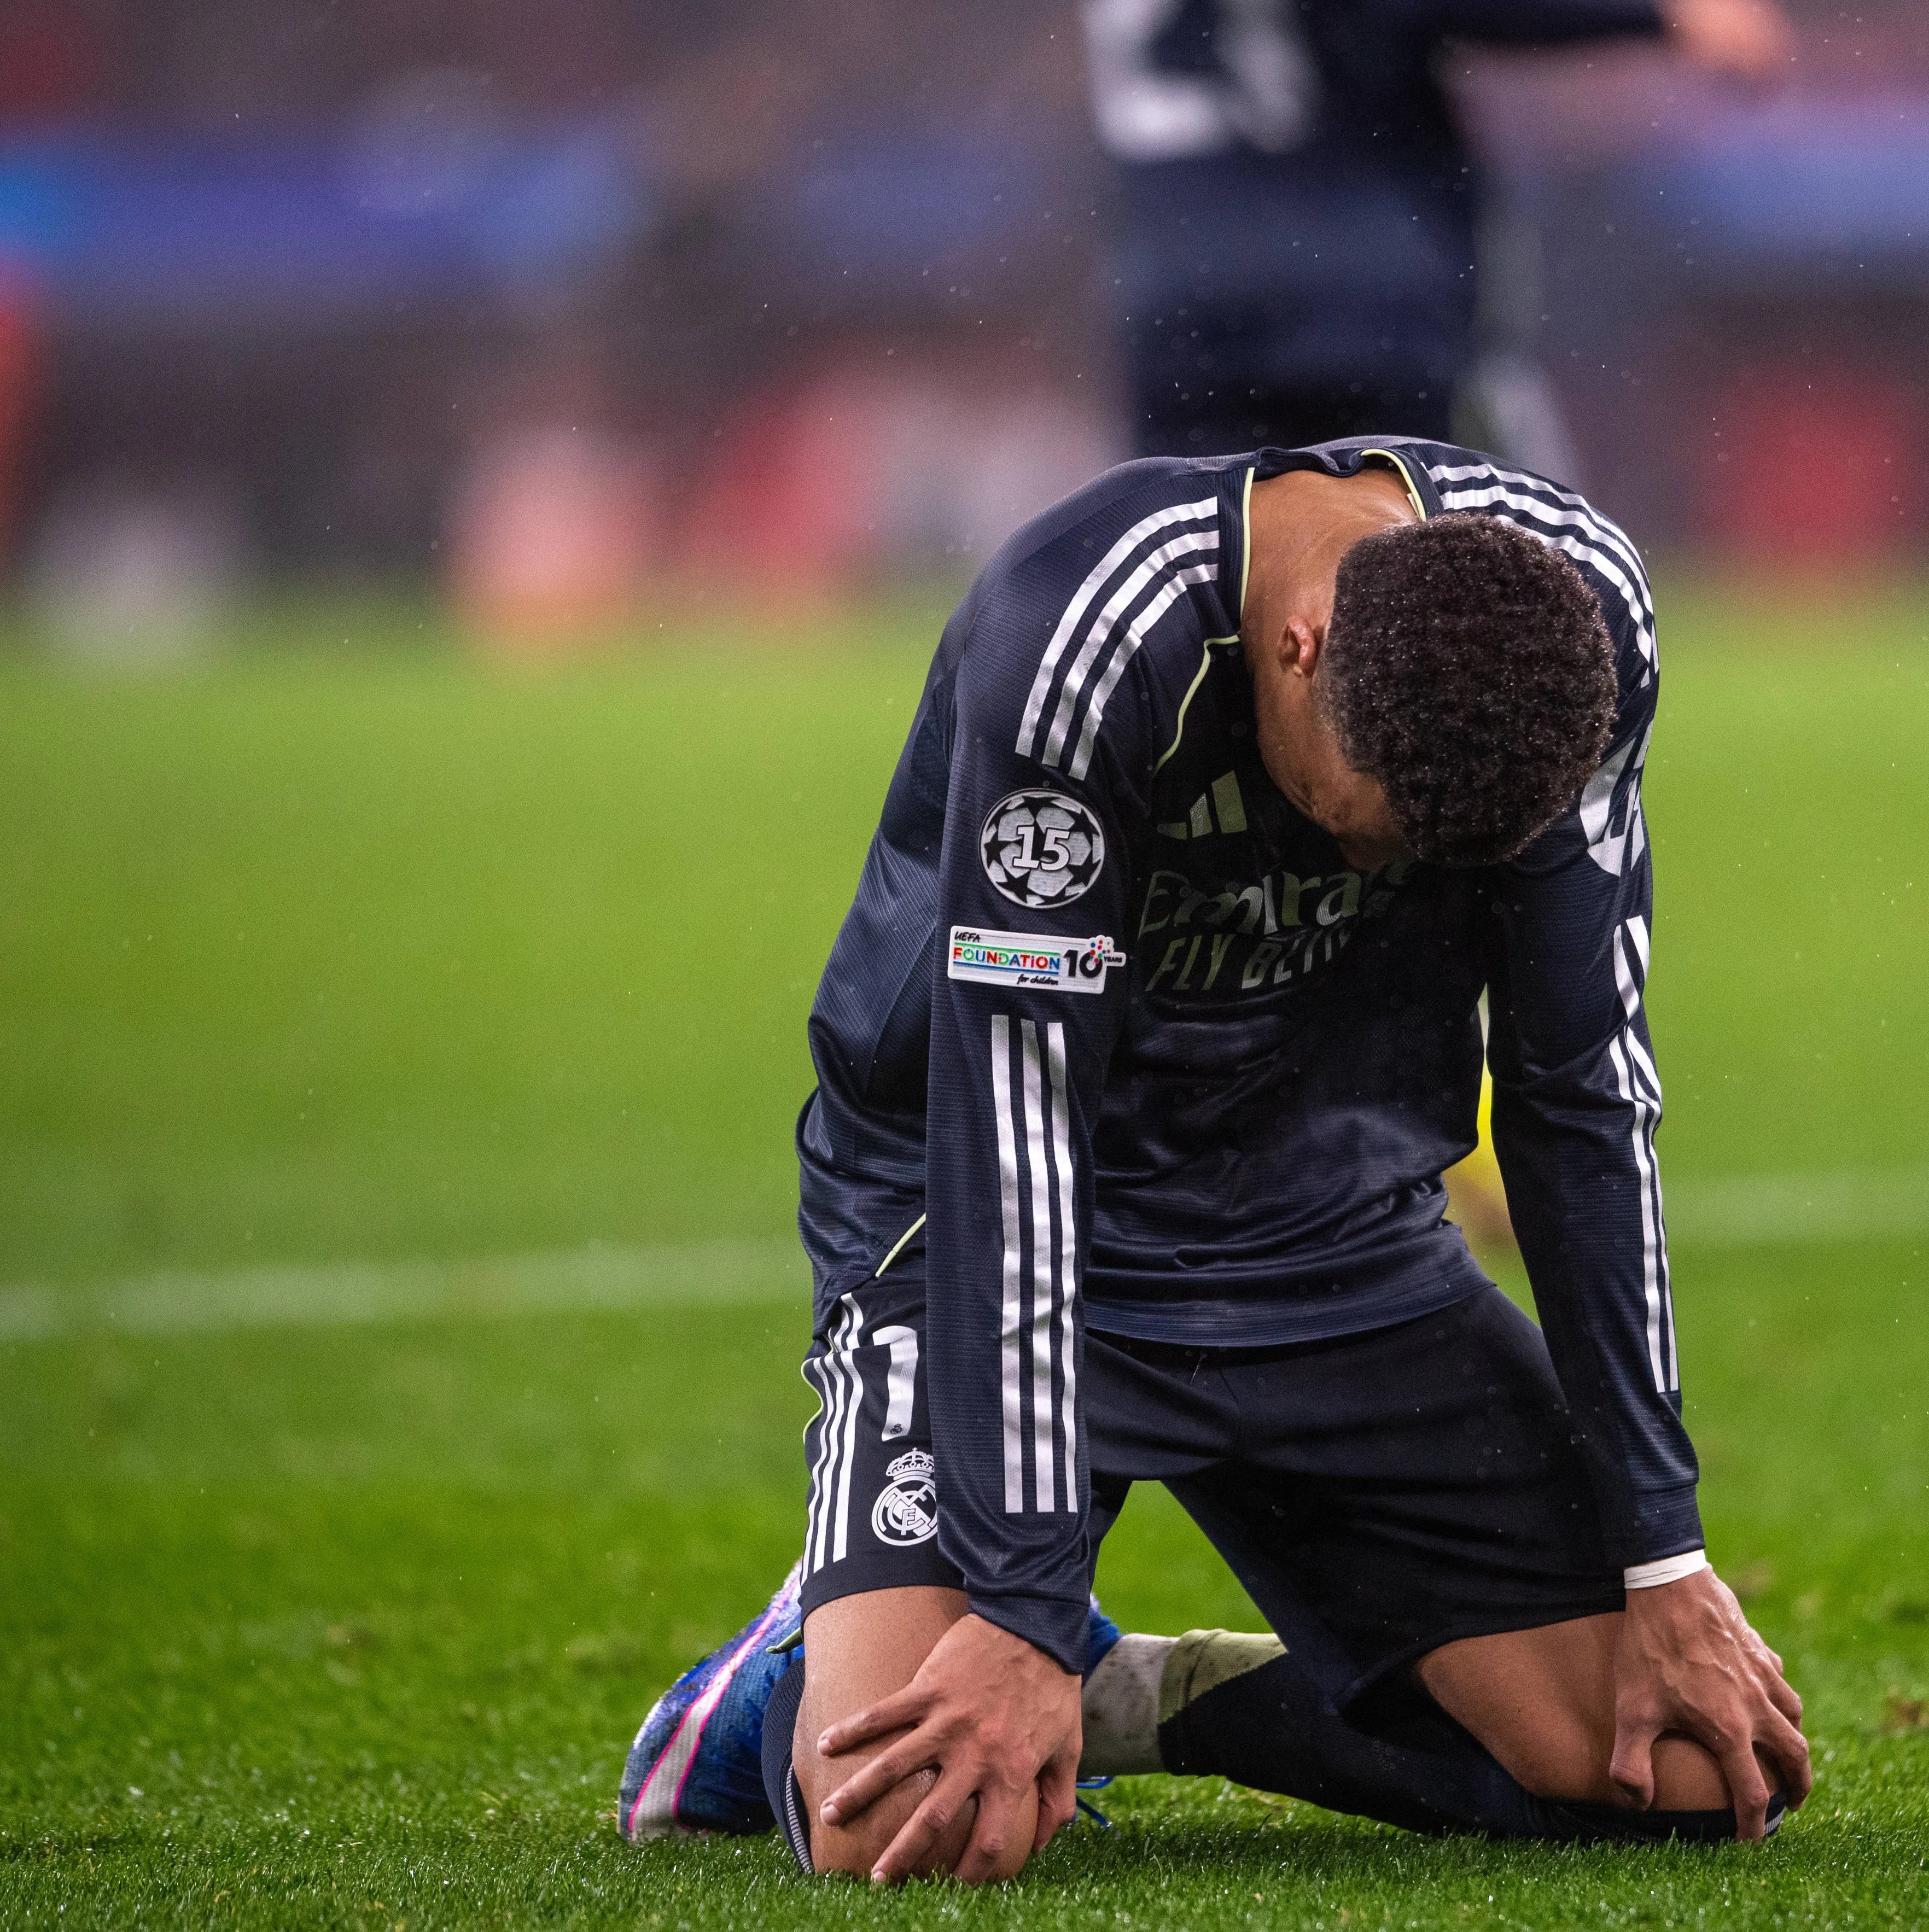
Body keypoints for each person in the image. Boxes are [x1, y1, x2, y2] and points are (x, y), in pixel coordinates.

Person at [617, 436, 1808, 1882]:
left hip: (1334, 1226)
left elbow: (1578, 1090)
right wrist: (1023, 1598)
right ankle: (777, 1685)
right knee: (915, 1826)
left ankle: (1139, 1696)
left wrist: (1661, 1556)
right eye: (1359, 826)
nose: (1373, 877)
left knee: (1682, 1766)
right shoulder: (1086, 635)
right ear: (1298, 649)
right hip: (996, 1204)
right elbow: (1016, 1121)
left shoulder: (1580, 620)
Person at [1083, 0, 1791, 459]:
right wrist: (1661, 15)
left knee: (1214, 589)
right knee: (1444, 590)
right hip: (1356, 290)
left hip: (1180, 297)